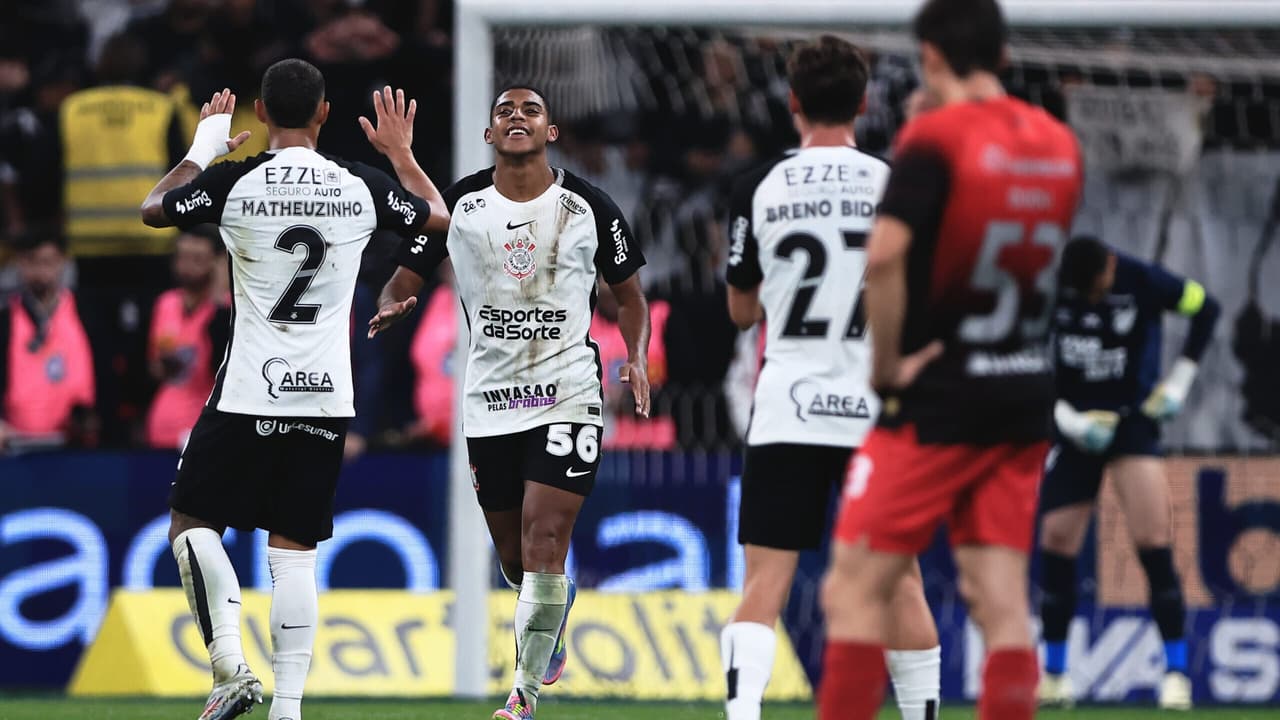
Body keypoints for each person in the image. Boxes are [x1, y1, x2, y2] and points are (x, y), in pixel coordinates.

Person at [139, 60, 449, 720]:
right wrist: (400, 154)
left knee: (191, 522)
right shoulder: (359, 184)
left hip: (249, 389)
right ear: (324, 113)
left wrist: (202, 148)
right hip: (326, 396)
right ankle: (287, 709)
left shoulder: (235, 180)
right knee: (294, 550)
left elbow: (155, 208)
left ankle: (229, 667)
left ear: (259, 112)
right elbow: (438, 219)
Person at [816, 1, 1083, 719]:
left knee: (853, 590)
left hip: (939, 398)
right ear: (1002, 54)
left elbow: (885, 257)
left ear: (930, 55)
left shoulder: (935, 138)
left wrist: (886, 366)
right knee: (1001, 601)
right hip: (1023, 390)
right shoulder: (1059, 144)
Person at [369, 85, 651, 720]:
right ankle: (552, 608)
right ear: (489, 134)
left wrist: (635, 356)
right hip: (490, 400)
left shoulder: (590, 206)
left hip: (568, 392)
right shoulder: (462, 204)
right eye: (504, 111)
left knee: (546, 539)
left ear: (551, 132)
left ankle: (521, 696)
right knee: (517, 558)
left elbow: (631, 297)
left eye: (530, 110)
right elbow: (404, 274)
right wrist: (393, 302)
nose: (516, 117)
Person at [719, 35, 940, 720]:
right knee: (902, 581)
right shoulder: (894, 183)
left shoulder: (757, 185)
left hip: (788, 405)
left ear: (792, 102)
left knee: (765, 582)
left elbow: (741, 311)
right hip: (875, 411)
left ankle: (742, 715)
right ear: (865, 104)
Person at [1037, 236, 1219, 710]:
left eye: (1098, 288)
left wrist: (1178, 383)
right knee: (1056, 540)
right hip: (1075, 428)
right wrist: (1065, 418)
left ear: (1111, 266)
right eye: (1083, 293)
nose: (1092, 298)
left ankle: (1176, 675)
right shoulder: (1051, 289)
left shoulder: (1145, 280)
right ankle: (1054, 677)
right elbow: (1026, 356)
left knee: (1153, 540)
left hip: (1130, 424)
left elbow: (1207, 307)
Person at [0, 228, 95, 452]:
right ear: (20, 264)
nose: (41, 270)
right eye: (32, 261)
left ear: (63, 262)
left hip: (79, 448)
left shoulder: (88, 313)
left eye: (48, 261)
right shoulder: (4, 320)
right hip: (15, 448)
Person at [145, 224, 230, 449]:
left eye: (197, 259)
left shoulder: (228, 308)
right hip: (162, 427)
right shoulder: (166, 303)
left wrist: (220, 296)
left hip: (205, 427)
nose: (186, 267)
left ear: (217, 262)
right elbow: (154, 368)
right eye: (181, 257)